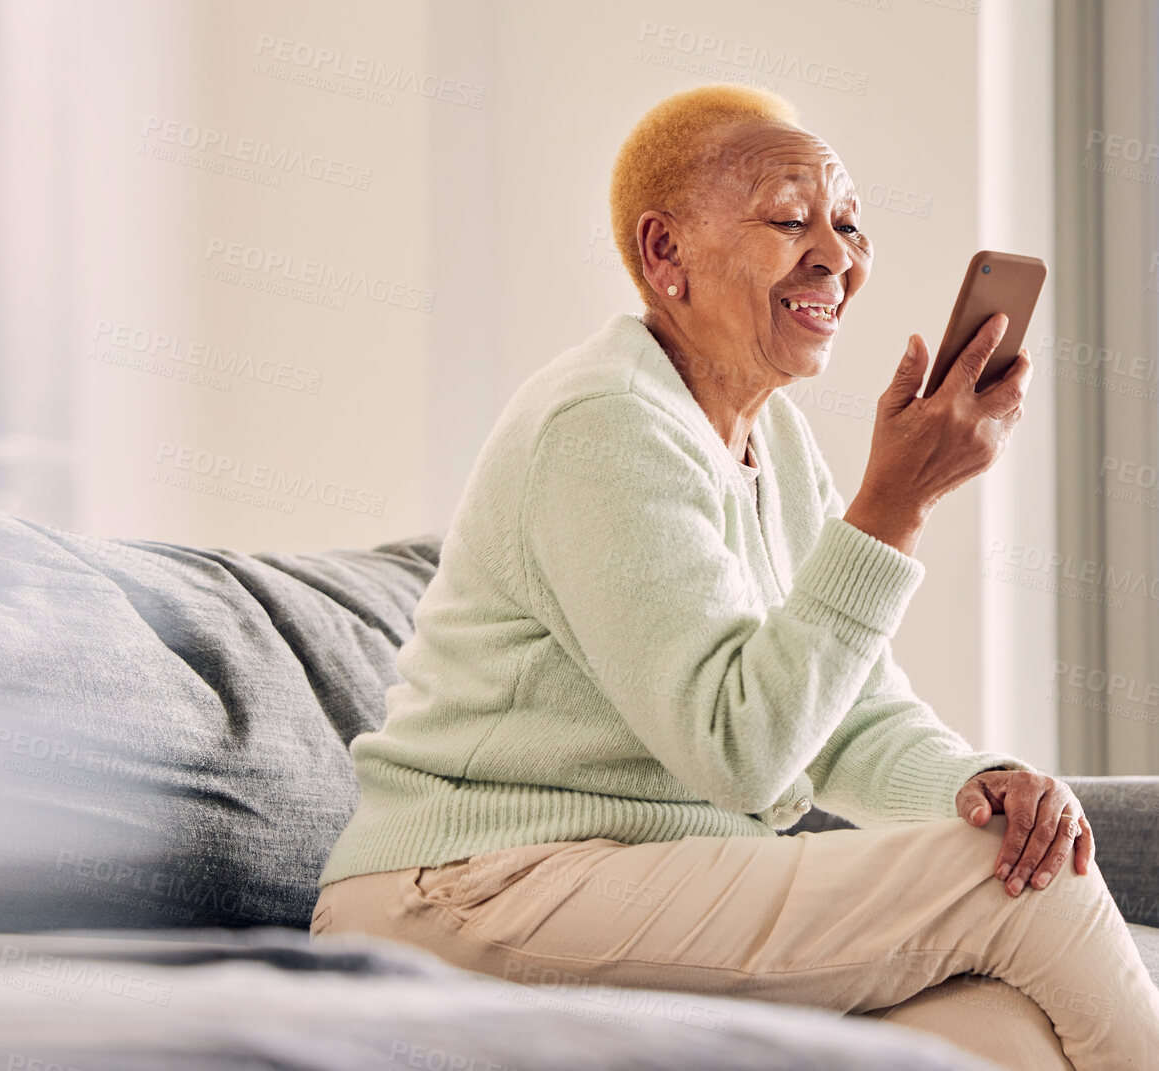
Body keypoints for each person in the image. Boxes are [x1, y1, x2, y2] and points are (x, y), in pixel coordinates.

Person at [309, 83, 1159, 1071]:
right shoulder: (606, 424)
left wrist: (983, 786)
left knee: (1003, 1036)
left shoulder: (776, 443)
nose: (837, 256)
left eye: (846, 223)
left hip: (637, 880)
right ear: (665, 254)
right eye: (791, 220)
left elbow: (847, 721)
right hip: (462, 890)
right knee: (1024, 889)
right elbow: (740, 751)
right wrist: (894, 507)